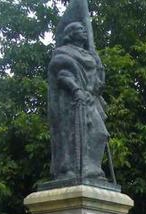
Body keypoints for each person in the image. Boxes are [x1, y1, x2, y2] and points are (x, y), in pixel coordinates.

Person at [47, 20, 109, 181]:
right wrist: (76, 89)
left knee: (100, 133)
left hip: (89, 99)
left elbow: (97, 80)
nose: (84, 31)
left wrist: (98, 67)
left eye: (84, 29)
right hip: (72, 101)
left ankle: (92, 169)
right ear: (71, 33)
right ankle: (68, 170)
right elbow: (62, 74)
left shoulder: (89, 55)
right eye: (80, 29)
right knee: (70, 134)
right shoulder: (63, 52)